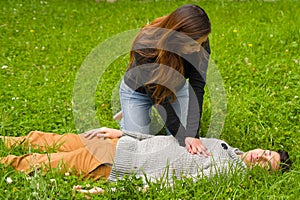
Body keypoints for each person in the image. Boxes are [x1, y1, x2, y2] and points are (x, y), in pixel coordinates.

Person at [0, 127, 292, 183]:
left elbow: (177, 183)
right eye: (266, 153)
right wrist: (122, 133)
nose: (261, 158)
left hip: (119, 163)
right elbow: (170, 140)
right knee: (46, 140)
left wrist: (119, 187)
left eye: (268, 165)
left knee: (37, 164)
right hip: (124, 144)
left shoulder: (229, 171)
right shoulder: (224, 145)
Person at [117, 4, 212, 157]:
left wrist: (192, 133)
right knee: (138, 146)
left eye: (202, 43)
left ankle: (133, 115)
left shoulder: (200, 45)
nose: (198, 49)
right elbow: (157, 97)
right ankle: (129, 116)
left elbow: (197, 87)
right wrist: (182, 135)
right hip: (139, 92)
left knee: (181, 146)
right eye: (193, 45)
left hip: (176, 89)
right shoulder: (146, 46)